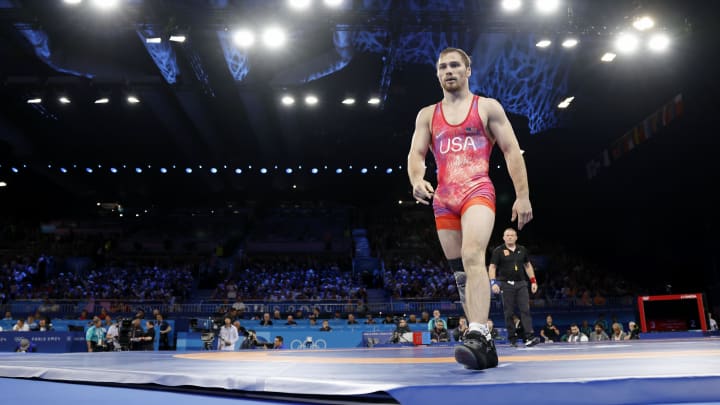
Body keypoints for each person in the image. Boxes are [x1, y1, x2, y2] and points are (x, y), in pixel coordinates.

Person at [407, 47, 533, 370]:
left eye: (454, 65)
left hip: (477, 189)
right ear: (437, 74)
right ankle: (485, 345)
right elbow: (416, 155)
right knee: (462, 275)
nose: (448, 71)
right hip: (444, 198)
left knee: (473, 255)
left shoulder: (487, 107)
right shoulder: (426, 115)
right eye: (442, 67)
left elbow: (511, 151)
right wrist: (417, 179)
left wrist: (523, 196)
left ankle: (476, 331)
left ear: (468, 70)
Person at [489, 227, 540, 347]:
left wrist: (533, 281)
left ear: (516, 237)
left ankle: (529, 337)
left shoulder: (522, 250)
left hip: (521, 283)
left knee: (525, 310)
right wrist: (493, 283)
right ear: (504, 238)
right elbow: (492, 267)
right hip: (506, 284)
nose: (510, 237)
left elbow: (527, 266)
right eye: (507, 235)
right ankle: (512, 338)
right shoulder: (498, 251)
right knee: (509, 312)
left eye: (512, 235)